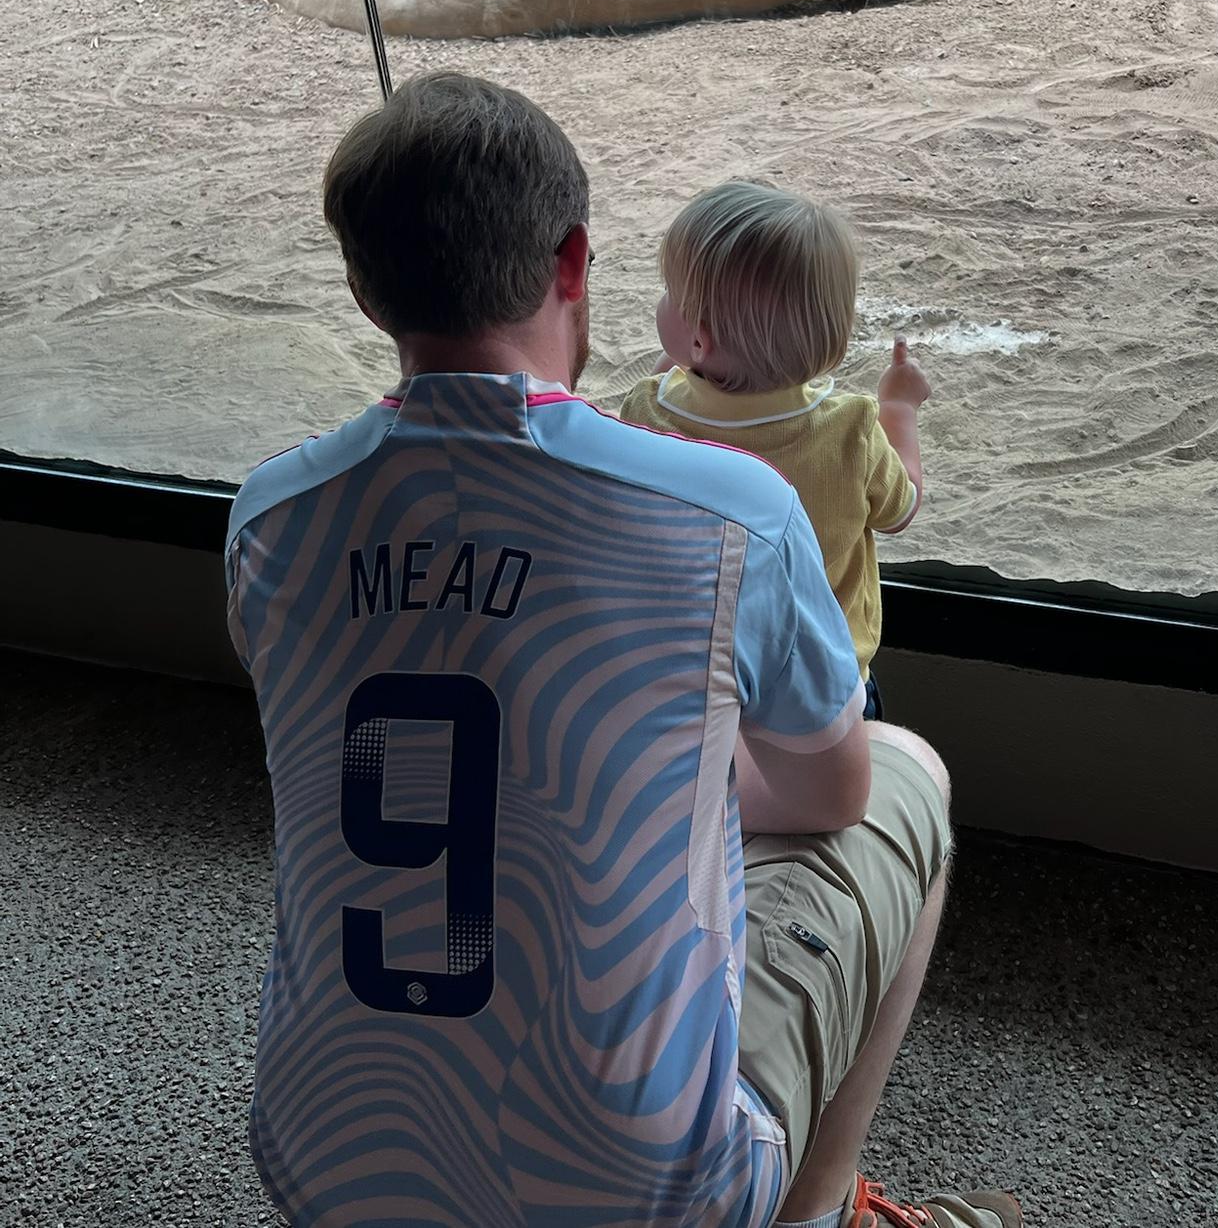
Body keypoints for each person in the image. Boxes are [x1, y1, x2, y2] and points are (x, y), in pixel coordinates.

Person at [224, 71, 1022, 1228]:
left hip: (319, 1161)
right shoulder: (730, 508)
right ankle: (818, 1211)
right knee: (904, 774)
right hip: (642, 1197)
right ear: (572, 263)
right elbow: (828, 792)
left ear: (361, 287)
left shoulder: (271, 515)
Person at [619, 183, 930, 722]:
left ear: (699, 342)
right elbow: (900, 510)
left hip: (701, 676)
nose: (661, 301)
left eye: (669, 291)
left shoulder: (648, 412)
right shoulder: (853, 427)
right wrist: (898, 409)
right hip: (824, 689)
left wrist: (682, 374)